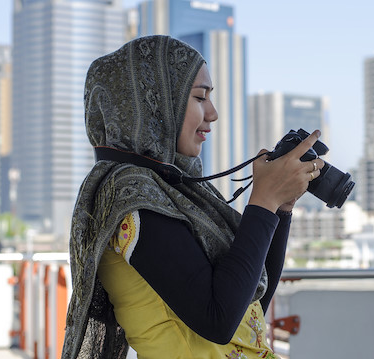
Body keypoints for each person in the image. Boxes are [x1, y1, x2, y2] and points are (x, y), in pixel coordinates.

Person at [61, 35, 324, 359]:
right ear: (155, 102)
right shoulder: (131, 194)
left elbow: (249, 302)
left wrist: (280, 207)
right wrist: (263, 201)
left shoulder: (175, 190)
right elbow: (217, 319)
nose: (213, 113)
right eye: (201, 97)